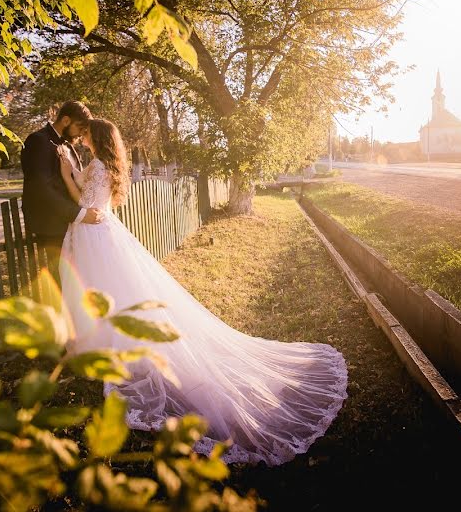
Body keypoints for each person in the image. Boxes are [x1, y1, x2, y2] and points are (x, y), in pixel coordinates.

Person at [56, 118, 348, 466]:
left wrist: (65, 174)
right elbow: (87, 192)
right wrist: (72, 167)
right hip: (104, 233)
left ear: (96, 137)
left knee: (108, 292)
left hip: (96, 235)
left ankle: (117, 350)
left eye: (86, 135)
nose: (83, 139)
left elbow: (85, 207)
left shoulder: (100, 166)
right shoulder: (103, 164)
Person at [20, 101, 104, 288]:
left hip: (72, 223)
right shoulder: (38, 141)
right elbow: (41, 188)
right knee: (61, 281)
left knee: (78, 279)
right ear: (66, 120)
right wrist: (79, 214)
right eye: (80, 128)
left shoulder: (69, 146)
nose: (82, 134)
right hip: (52, 225)